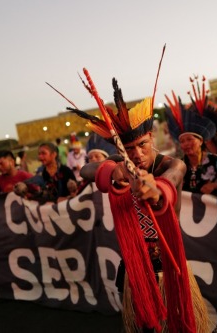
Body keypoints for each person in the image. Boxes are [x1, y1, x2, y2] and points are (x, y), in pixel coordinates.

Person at [72, 75, 208, 333]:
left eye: (142, 145)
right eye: (129, 148)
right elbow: (85, 171)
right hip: (135, 264)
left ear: (151, 136)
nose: (137, 154)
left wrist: (155, 191)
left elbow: (171, 179)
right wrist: (114, 172)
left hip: (169, 263)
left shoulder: (171, 164)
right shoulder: (121, 161)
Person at [165, 92, 217, 196]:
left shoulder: (215, 161)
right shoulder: (179, 166)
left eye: (190, 139)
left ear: (200, 141)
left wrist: (214, 186)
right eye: (182, 141)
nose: (186, 144)